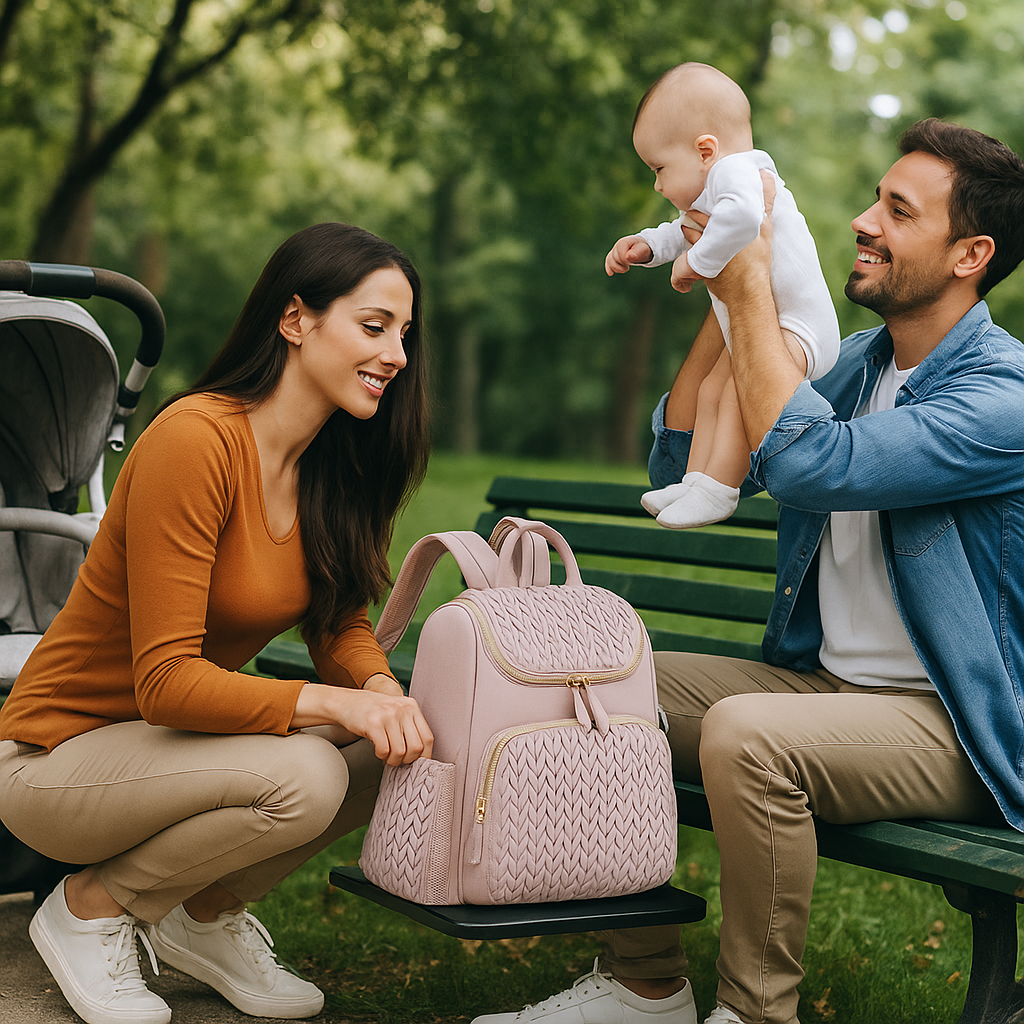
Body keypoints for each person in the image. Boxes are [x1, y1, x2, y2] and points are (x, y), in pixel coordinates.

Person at [476, 118, 1024, 1024]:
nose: (861, 219)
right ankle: (644, 984)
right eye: (872, 199)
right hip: (827, 687)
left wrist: (753, 287)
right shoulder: (852, 367)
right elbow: (678, 465)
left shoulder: (1001, 397)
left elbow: (818, 469)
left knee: (745, 737)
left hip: (955, 724)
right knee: (595, 687)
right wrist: (724, 297)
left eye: (897, 209)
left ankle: (753, 1012)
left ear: (971, 253)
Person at [0, 222, 435, 1024]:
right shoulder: (196, 440)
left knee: (401, 746)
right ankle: (90, 907)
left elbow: (341, 622)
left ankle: (202, 913)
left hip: (176, 755)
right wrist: (335, 705)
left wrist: (378, 690)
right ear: (295, 319)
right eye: (374, 327)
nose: (397, 355)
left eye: (404, 335)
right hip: (54, 757)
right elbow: (164, 683)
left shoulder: (329, 466)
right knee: (307, 775)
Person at [605, 63, 840, 530]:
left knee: (735, 393)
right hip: (769, 327)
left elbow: (742, 220)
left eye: (659, 169)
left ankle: (720, 489)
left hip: (801, 329)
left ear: (705, 150)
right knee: (712, 388)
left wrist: (695, 263)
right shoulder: (718, 186)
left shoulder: (740, 173)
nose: (657, 184)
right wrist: (649, 246)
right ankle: (696, 479)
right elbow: (685, 230)